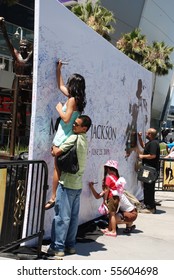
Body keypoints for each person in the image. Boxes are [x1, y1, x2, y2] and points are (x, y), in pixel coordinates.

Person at [48, 115, 92, 257]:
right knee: (73, 218)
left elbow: (57, 152)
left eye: (77, 124)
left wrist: (54, 146)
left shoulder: (74, 138)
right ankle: (70, 246)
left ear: (84, 128)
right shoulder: (85, 139)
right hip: (77, 185)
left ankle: (57, 248)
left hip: (67, 183)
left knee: (61, 217)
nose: (73, 126)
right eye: (74, 123)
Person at [45, 60, 86, 210]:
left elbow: (66, 118)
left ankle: (53, 196)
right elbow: (60, 85)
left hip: (63, 136)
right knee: (59, 168)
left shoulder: (71, 100)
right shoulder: (77, 100)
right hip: (67, 135)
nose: (67, 85)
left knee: (57, 168)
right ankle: (55, 195)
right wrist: (58, 69)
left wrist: (58, 109)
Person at [0, 17, 33, 136]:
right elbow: (8, 42)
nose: (22, 47)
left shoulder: (31, 57)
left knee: (24, 106)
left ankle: (23, 129)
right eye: (21, 45)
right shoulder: (16, 55)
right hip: (17, 82)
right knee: (14, 104)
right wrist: (3, 29)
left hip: (27, 84)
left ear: (28, 48)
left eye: (25, 45)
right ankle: (13, 122)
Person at [90, 160, 125, 237]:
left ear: (108, 169)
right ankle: (109, 229)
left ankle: (113, 231)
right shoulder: (116, 177)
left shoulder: (109, 178)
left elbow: (107, 190)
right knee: (111, 214)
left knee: (112, 214)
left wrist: (105, 199)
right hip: (116, 197)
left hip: (111, 197)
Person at [138, 128, 160, 213]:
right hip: (148, 169)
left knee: (149, 188)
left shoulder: (154, 143)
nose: (146, 134)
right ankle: (148, 205)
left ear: (150, 134)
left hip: (150, 170)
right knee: (147, 187)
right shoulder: (151, 143)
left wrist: (142, 156)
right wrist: (139, 138)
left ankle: (150, 207)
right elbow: (144, 146)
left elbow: (153, 155)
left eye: (147, 133)